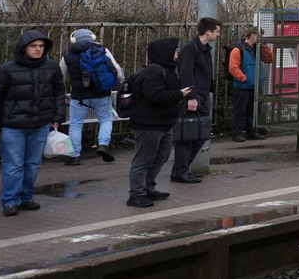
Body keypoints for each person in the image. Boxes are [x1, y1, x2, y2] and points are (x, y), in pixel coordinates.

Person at [0, 30, 67, 216]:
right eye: (33, 46)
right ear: (23, 48)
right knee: (14, 165)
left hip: (40, 124)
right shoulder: (5, 70)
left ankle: (26, 197)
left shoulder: (51, 68)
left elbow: (59, 93)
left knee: (33, 164)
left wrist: (58, 116)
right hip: (13, 125)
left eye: (41, 46)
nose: (38, 49)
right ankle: (10, 201)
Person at [126, 38, 192, 208]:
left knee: (161, 156)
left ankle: (148, 186)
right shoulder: (154, 71)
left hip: (163, 123)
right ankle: (136, 194)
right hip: (149, 124)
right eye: (174, 51)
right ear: (165, 52)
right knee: (144, 159)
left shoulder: (168, 70)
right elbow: (154, 96)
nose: (177, 54)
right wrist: (179, 95)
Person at [58, 29, 124, 165]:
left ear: (74, 40)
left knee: (76, 125)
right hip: (102, 94)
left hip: (79, 97)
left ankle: (75, 156)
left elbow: (60, 78)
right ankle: (103, 144)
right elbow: (116, 69)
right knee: (106, 119)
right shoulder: (102, 50)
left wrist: (62, 94)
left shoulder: (68, 56)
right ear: (92, 38)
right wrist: (120, 82)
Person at [171, 17, 221, 184]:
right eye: (217, 31)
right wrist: (191, 97)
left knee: (200, 134)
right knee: (189, 135)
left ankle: (182, 169)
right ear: (208, 31)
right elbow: (186, 73)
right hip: (194, 96)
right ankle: (180, 171)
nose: (218, 34)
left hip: (203, 95)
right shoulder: (191, 48)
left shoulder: (204, 48)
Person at [226, 28, 272, 143]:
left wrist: (265, 46)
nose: (261, 39)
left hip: (254, 85)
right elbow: (233, 67)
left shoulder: (257, 48)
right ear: (252, 36)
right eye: (259, 36)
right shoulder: (238, 49)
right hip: (243, 86)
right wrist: (245, 78)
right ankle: (237, 133)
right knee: (240, 111)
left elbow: (269, 59)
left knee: (254, 110)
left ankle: (251, 131)